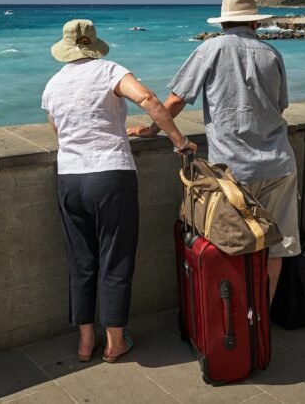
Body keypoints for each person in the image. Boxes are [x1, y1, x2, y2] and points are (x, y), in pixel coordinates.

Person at [128, 0, 300, 304]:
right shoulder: (272, 53)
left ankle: (236, 321)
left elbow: (177, 98)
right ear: (254, 22)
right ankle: (261, 318)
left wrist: (152, 129)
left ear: (223, 23)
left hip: (233, 170)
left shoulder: (211, 48)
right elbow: (281, 106)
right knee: (279, 246)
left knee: (233, 244)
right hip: (279, 163)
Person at [42, 18, 197, 364]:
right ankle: (114, 342)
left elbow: (60, 132)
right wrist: (179, 141)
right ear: (94, 45)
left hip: (70, 178)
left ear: (65, 49)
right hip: (110, 175)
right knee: (115, 257)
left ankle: (84, 342)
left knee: (81, 261)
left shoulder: (53, 85)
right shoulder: (110, 71)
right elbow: (148, 98)